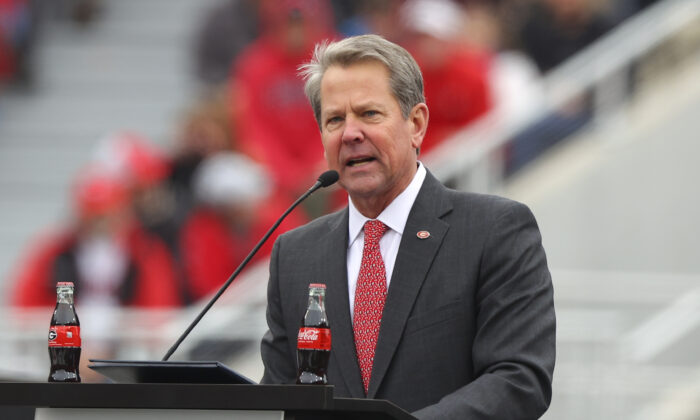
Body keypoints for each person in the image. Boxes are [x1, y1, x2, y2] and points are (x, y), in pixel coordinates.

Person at [260, 34, 555, 418]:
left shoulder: (494, 231)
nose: (350, 133)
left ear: (416, 124)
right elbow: (278, 399)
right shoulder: (294, 255)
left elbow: (519, 379)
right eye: (335, 119)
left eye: (369, 114)